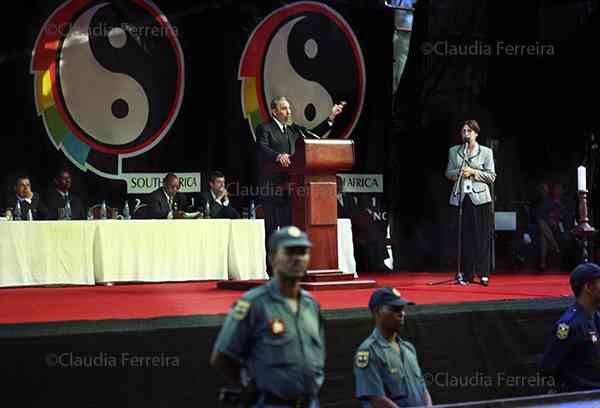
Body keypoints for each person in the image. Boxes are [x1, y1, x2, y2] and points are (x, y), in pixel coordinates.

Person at [210, 226, 324, 408]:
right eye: (289, 252)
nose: (297, 258)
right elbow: (222, 357)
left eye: (303, 252)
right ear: (272, 258)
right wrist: (246, 388)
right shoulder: (253, 304)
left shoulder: (311, 306)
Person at [256, 96, 345, 275]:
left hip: (291, 189)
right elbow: (261, 147)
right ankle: (272, 271)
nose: (288, 112)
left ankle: (288, 269)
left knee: (289, 232)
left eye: (289, 108)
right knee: (273, 233)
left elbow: (311, 135)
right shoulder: (264, 128)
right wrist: (277, 156)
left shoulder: (292, 130)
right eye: (284, 109)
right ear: (274, 111)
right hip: (272, 189)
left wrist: (330, 119)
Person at [354, 287, 432, 407]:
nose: (401, 313)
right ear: (377, 312)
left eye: (402, 309)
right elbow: (375, 398)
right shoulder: (368, 351)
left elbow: (422, 390)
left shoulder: (408, 349)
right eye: (395, 309)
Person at [445, 120, 496, 286]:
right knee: (464, 237)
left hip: (480, 199)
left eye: (468, 131)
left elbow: (491, 176)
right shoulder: (454, 151)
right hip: (461, 197)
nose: (465, 134)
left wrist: (473, 172)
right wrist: (460, 172)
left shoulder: (486, 152)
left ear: (475, 133)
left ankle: (483, 273)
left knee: (482, 236)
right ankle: (467, 273)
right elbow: (448, 172)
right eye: (463, 131)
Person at [539, 262, 600, 391]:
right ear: (588, 287)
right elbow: (548, 367)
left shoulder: (595, 317)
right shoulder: (569, 326)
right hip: (581, 396)